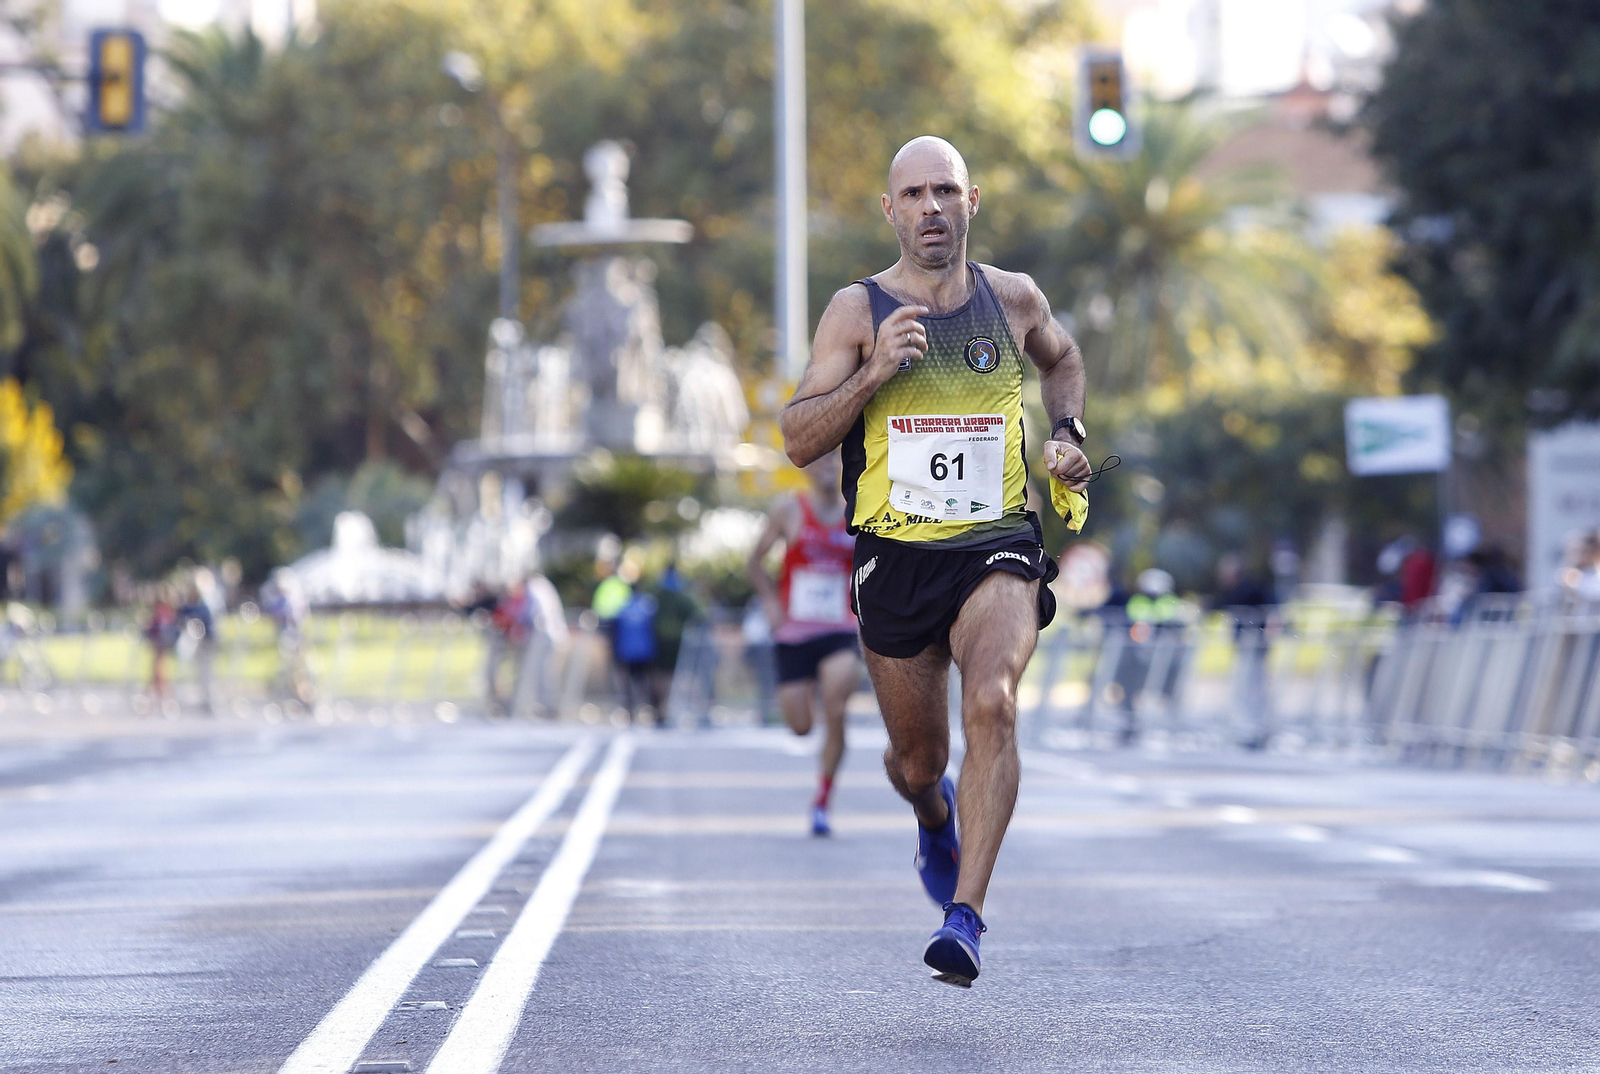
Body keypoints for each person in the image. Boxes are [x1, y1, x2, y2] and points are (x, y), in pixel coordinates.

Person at [779, 136, 1092, 987]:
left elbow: (1062, 360)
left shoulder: (1015, 298)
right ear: (890, 211)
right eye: (913, 194)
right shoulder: (858, 311)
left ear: (972, 202)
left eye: (945, 191)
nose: (930, 208)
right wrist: (873, 372)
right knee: (919, 761)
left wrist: (1066, 438)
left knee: (993, 700)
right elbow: (799, 436)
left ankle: (967, 916)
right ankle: (931, 812)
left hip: (995, 542)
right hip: (895, 557)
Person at [747, 451, 863, 836]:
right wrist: (768, 601)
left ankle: (822, 800)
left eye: (835, 461)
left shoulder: (859, 509)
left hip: (839, 629)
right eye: (821, 462)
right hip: (794, 633)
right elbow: (754, 561)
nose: (828, 467)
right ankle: (812, 699)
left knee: (836, 707)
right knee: (799, 726)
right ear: (808, 469)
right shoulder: (789, 509)